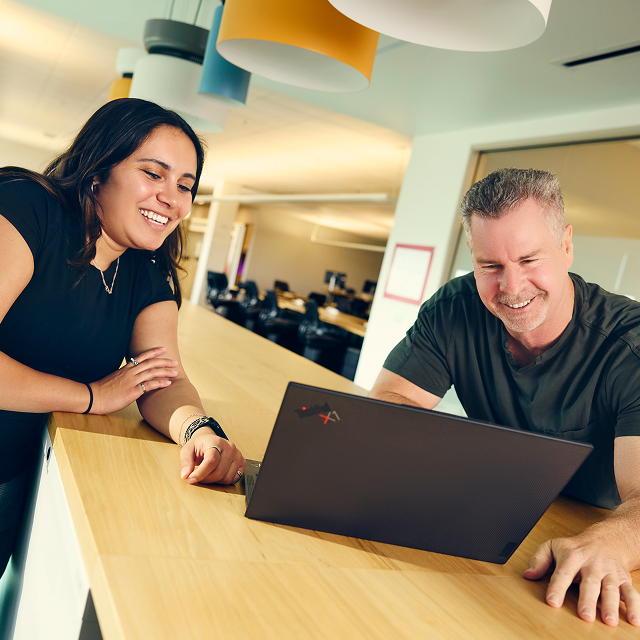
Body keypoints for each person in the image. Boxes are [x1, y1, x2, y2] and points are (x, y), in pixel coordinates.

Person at [370, 168, 640, 626]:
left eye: (530, 260)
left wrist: (605, 542)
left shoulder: (629, 345)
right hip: (494, 519)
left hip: (596, 540)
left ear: (567, 246)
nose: (511, 289)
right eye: (490, 266)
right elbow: (390, 404)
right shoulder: (454, 309)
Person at [0, 98, 246, 578]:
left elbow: (162, 379)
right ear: (99, 169)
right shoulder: (28, 209)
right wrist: (92, 396)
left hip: (19, 470)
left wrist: (199, 431)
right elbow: (108, 394)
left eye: (185, 185)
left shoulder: (147, 269)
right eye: (154, 174)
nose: (172, 199)